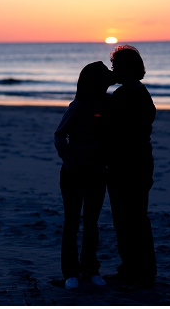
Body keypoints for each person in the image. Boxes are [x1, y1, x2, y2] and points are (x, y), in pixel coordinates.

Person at [54, 61, 114, 289]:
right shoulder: (78, 106)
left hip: (98, 172)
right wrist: (70, 162)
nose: (110, 77)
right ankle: (70, 272)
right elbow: (60, 135)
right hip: (73, 173)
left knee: (92, 223)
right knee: (71, 222)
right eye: (105, 76)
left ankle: (91, 269)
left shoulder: (109, 103)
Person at [105, 44, 157, 288]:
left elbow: (112, 128)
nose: (113, 70)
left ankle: (133, 269)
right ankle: (142, 269)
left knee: (126, 219)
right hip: (141, 161)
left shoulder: (125, 95)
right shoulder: (141, 92)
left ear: (126, 68)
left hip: (125, 164)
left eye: (115, 66)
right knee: (136, 218)